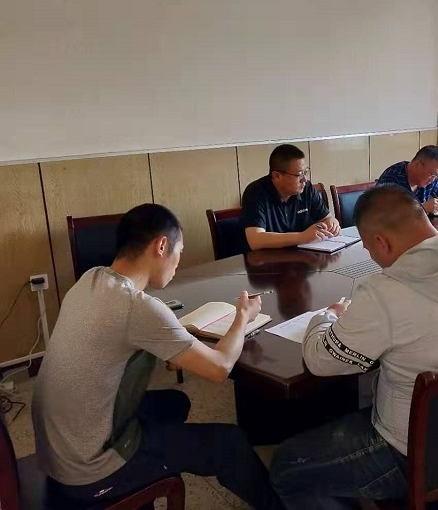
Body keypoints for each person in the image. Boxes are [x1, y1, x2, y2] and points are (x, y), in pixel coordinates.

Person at [269, 185, 438, 509]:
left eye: (369, 250)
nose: (373, 259)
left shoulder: (385, 291)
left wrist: (326, 316)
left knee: (287, 466)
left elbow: (320, 360)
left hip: (423, 457)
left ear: (381, 242)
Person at [32, 204, 284, 510]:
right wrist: (243, 316)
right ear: (161, 246)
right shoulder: (135, 306)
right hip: (89, 470)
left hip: (58, 450)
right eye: (179, 251)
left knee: (174, 403)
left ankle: (147, 479)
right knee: (228, 444)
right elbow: (220, 368)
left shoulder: (91, 279)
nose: (178, 262)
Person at [240, 144, 341, 250]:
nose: (304, 179)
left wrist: (332, 223)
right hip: (268, 258)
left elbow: (327, 218)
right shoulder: (255, 192)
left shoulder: (306, 188)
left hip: (303, 255)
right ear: (277, 176)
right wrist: (302, 237)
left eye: (305, 172)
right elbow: (256, 240)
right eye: (299, 175)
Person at [376, 145, 438, 214]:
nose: (433, 180)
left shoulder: (431, 179)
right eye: (431, 174)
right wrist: (421, 208)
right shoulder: (392, 178)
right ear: (417, 165)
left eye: (436, 175)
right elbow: (383, 214)